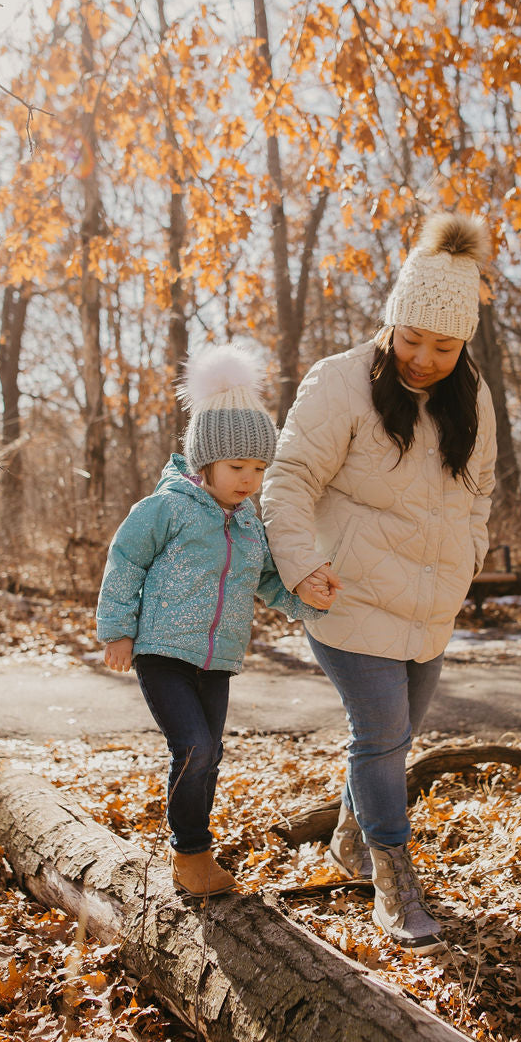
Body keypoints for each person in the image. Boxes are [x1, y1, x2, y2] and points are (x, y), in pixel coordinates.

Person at [261, 212, 496, 953]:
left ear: (464, 344)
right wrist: (302, 564)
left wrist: (471, 554)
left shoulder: (473, 398)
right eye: (412, 339)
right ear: (392, 321)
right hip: (347, 595)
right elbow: (288, 481)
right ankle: (393, 886)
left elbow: (479, 490)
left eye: (444, 346)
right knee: (382, 733)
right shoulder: (339, 383)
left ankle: (346, 842)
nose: (424, 358)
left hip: (429, 606)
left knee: (394, 738)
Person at [97, 343, 334, 899]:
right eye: (237, 468)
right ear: (204, 463)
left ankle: (196, 848)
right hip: (162, 653)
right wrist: (117, 630)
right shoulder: (168, 508)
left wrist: (309, 597)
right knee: (194, 748)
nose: (249, 480)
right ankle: (190, 852)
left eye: (258, 468)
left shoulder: (250, 523)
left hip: (218, 659)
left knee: (212, 754)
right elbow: (125, 558)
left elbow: (269, 580)